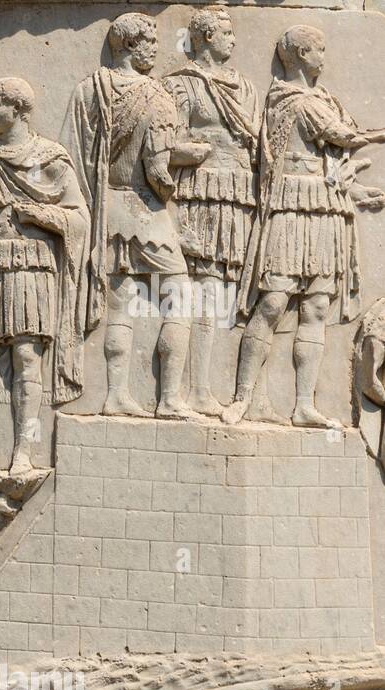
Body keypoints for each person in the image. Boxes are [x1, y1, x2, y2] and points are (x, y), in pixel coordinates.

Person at [225, 25, 385, 428]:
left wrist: (357, 191)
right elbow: (342, 136)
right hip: (291, 203)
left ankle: (303, 405)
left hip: (325, 205)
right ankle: (243, 396)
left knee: (315, 305)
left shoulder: (323, 97)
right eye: (318, 49)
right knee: (274, 300)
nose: (323, 57)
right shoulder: (290, 99)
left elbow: (335, 154)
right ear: (298, 54)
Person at [65, 12, 210, 419]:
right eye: (149, 43)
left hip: (105, 210)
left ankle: (115, 395)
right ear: (130, 46)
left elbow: (74, 155)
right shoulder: (155, 95)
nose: (155, 51)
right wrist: (191, 159)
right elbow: (158, 168)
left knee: (122, 302)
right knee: (178, 295)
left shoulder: (88, 90)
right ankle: (169, 398)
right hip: (144, 207)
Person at [0, 77, 90, 474]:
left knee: (27, 357)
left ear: (20, 109)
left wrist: (40, 214)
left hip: (33, 264)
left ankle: (24, 451)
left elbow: (79, 218)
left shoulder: (50, 158)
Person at [164, 7, 260, 418]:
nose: (233, 40)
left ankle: (200, 387)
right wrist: (194, 151)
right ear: (203, 37)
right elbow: (163, 145)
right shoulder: (182, 86)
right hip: (199, 193)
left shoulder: (244, 86)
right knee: (196, 290)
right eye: (225, 32)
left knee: (217, 290)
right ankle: (184, 391)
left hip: (236, 194)